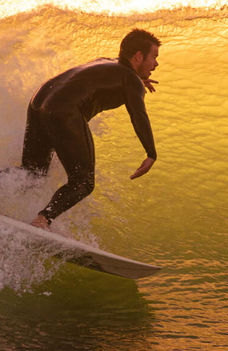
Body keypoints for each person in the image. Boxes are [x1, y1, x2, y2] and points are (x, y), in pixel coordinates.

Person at [21, 28, 161, 230]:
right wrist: (151, 153)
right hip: (64, 111)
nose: (156, 63)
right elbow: (139, 116)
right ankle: (42, 221)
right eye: (154, 57)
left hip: (39, 101)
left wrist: (137, 79)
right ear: (138, 56)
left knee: (32, 173)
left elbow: (113, 75)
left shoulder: (105, 61)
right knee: (83, 182)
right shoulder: (130, 80)